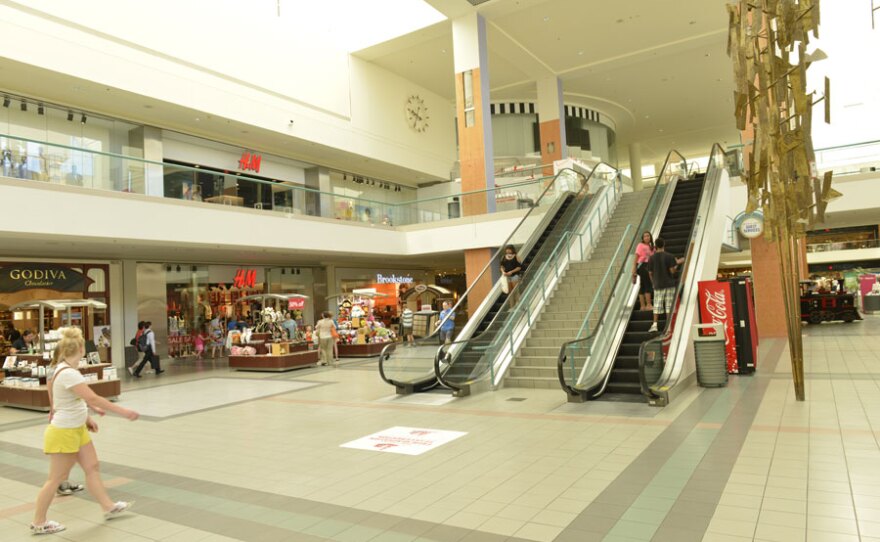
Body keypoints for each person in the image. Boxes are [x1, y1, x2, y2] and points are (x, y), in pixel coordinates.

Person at [30, 327, 139, 535]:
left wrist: (88, 417)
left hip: (76, 428)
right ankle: (39, 521)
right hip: (64, 431)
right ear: (80, 349)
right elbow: (92, 397)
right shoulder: (69, 373)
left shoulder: (63, 369)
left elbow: (73, 400)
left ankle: (108, 506)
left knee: (92, 466)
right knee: (56, 478)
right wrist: (123, 411)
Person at [647, 237, 679, 333]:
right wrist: (676, 265)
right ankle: (669, 326)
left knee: (657, 305)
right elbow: (672, 271)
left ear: (655, 246)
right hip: (669, 284)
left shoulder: (651, 258)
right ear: (664, 245)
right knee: (669, 305)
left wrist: (653, 283)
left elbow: (650, 273)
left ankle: (655, 325)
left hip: (657, 284)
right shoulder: (670, 256)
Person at [632, 231, 655, 311]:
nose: (647, 237)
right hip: (642, 265)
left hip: (648, 265)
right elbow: (636, 257)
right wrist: (634, 269)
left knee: (643, 285)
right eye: (645, 236)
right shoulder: (640, 245)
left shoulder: (651, 247)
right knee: (648, 284)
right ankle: (648, 305)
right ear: (642, 238)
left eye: (648, 236)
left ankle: (642, 306)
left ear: (650, 237)